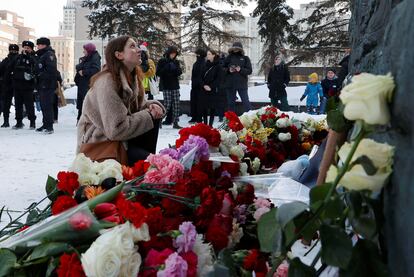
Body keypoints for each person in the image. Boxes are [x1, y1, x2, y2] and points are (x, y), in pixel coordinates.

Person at [77, 35, 165, 165]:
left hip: (121, 140)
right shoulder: (107, 82)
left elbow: (138, 108)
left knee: (152, 121)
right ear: (119, 55)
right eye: (132, 46)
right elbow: (116, 130)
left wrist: (151, 106)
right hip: (101, 145)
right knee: (155, 164)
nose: (139, 49)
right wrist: (148, 115)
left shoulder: (132, 77)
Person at [10, 41, 37, 129]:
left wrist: (29, 56)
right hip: (17, 85)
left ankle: (32, 122)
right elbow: (10, 66)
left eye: (28, 48)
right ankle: (19, 122)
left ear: (32, 49)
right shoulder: (18, 57)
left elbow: (36, 68)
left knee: (29, 105)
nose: (26, 49)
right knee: (18, 105)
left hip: (28, 86)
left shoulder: (34, 58)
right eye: (25, 47)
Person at [156, 46, 183, 129]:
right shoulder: (162, 61)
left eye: (175, 54)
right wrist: (166, 67)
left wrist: (175, 69)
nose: (173, 55)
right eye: (172, 53)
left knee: (176, 105)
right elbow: (158, 73)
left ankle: (175, 122)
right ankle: (159, 120)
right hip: (166, 86)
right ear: (168, 53)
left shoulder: (176, 62)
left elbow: (179, 72)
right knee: (167, 105)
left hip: (175, 85)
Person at [35, 37, 58, 134]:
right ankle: (45, 124)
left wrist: (41, 75)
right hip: (42, 83)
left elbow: (51, 70)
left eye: (39, 44)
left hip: (47, 84)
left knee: (47, 105)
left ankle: (49, 126)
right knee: (43, 105)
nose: (38, 46)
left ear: (44, 45)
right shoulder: (42, 55)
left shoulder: (49, 55)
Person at [74, 43, 101, 121]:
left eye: (85, 50)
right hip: (82, 84)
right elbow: (80, 67)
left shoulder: (94, 58)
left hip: (87, 84)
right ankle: (80, 119)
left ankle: (87, 121)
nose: (83, 52)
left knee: (87, 103)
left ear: (89, 51)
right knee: (81, 104)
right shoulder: (86, 58)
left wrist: (84, 72)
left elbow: (96, 70)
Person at [223, 42, 252, 113]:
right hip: (230, 84)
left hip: (242, 84)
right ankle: (231, 120)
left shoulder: (245, 58)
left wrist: (241, 69)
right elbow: (222, 68)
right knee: (230, 104)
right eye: (234, 48)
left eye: (237, 48)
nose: (235, 49)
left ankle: (251, 119)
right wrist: (228, 70)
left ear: (241, 49)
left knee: (246, 102)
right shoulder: (228, 58)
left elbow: (249, 71)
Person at [198, 49, 223, 126]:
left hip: (212, 90)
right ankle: (205, 124)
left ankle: (210, 124)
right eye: (207, 54)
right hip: (204, 89)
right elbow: (200, 77)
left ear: (213, 55)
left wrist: (211, 86)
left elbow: (219, 79)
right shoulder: (204, 65)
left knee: (212, 108)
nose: (207, 56)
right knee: (204, 107)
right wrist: (204, 85)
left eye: (209, 54)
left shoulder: (218, 66)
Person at [0, 44, 19, 128]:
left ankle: (19, 121)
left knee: (19, 104)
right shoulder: (6, 60)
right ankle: (6, 121)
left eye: (15, 51)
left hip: (18, 85)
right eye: (11, 51)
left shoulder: (20, 59)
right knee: (6, 104)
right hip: (7, 85)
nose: (13, 52)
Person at [190, 48, 206, 123]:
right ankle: (194, 117)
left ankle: (199, 118)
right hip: (194, 86)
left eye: (198, 54)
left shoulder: (204, 63)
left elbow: (202, 76)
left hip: (200, 87)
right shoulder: (196, 63)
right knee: (194, 102)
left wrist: (201, 84)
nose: (196, 56)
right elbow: (193, 75)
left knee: (199, 103)